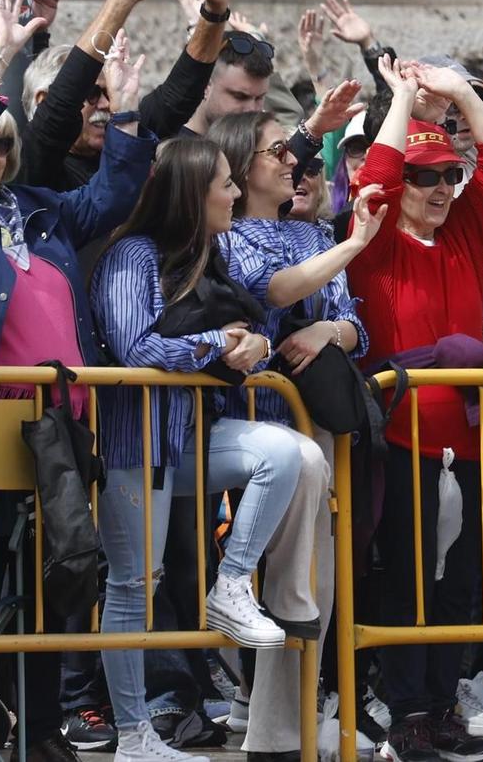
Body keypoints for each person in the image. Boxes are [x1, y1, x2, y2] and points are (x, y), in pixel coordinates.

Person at [91, 139, 331, 762]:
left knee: (284, 452)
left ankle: (231, 586)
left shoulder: (205, 256)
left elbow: (235, 326)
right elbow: (135, 348)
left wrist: (244, 343)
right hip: (135, 442)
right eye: (224, 183)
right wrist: (217, 344)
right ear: (193, 193)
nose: (232, 193)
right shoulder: (131, 255)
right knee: (132, 585)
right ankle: (133, 736)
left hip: (191, 435)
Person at [0, 0, 156, 762]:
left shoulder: (41, 209)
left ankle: (44, 728)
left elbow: (117, 189)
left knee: (60, 582)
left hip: (57, 431)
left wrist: (122, 109)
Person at [348, 56, 483, 762]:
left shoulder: (466, 232)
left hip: (472, 440)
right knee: (410, 581)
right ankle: (409, 710)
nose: (443, 188)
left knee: (464, 586)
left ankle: (442, 705)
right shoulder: (375, 239)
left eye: (450, 174)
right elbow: (376, 173)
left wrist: (452, 92)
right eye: (427, 177)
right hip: (402, 438)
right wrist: (404, 98)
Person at [204, 112, 384, 762]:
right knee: (275, 586)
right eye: (277, 151)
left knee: (317, 585)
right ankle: (262, 723)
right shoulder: (225, 237)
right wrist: (354, 244)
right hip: (251, 433)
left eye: (294, 151)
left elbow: (352, 322)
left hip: (317, 435)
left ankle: (291, 727)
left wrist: (328, 333)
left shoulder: (310, 236)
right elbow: (268, 291)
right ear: (240, 163)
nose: (293, 163)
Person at [17, 0, 230, 191]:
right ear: (42, 100)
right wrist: (121, 0)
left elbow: (177, 96)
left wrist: (215, 12)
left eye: (109, 92)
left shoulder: (121, 139)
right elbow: (61, 106)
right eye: (93, 93)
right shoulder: (33, 160)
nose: (107, 104)